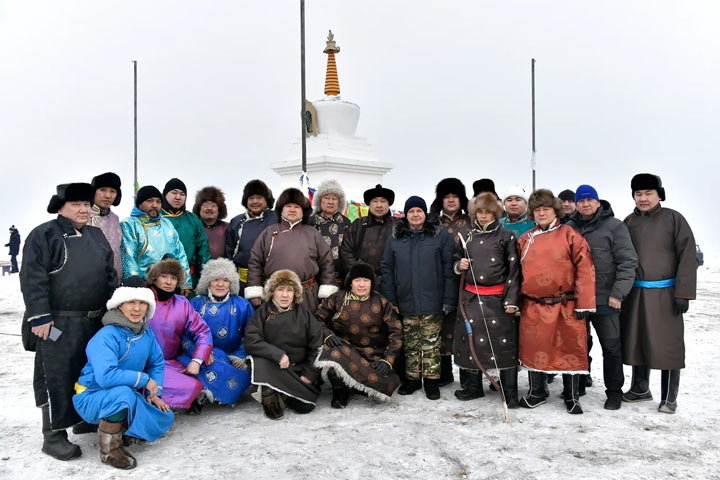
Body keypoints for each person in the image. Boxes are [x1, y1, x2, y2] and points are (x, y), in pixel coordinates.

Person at [20, 183, 117, 460]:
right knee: (55, 374)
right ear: (60, 207)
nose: (83, 209)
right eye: (76, 204)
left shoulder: (97, 235)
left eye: (86, 204)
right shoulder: (44, 234)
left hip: (93, 320)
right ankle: (52, 436)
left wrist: (112, 313)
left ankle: (83, 417)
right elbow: (32, 278)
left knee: (86, 372)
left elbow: (109, 276)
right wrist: (40, 317)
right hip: (56, 323)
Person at [72, 276, 174, 470]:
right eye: (131, 302)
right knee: (123, 395)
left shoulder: (146, 333)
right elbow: (105, 376)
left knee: (165, 416)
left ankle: (123, 429)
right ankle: (109, 449)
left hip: (124, 392)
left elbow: (157, 363)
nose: (137, 309)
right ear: (120, 305)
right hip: (90, 396)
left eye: (142, 303)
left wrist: (155, 394)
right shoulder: (106, 336)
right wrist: (144, 380)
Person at [620, 173, 696, 414]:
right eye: (638, 194)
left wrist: (683, 293)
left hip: (666, 293)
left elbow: (687, 257)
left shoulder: (674, 219)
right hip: (635, 294)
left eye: (648, 193)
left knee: (667, 345)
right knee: (637, 340)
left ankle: (669, 397)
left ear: (659, 195)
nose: (643, 198)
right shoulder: (629, 221)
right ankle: (640, 388)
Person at [516, 189, 596, 414]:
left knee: (570, 349)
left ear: (555, 211)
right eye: (537, 210)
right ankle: (537, 392)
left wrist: (584, 303)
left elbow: (585, 268)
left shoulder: (570, 235)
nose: (541, 213)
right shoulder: (525, 239)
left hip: (566, 304)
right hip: (533, 305)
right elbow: (516, 274)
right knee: (535, 349)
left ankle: (571, 396)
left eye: (546, 209)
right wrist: (514, 302)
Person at [565, 185, 638, 410]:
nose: (586, 204)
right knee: (577, 346)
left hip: (606, 299)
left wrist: (618, 293)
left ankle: (614, 392)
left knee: (611, 347)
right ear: (576, 204)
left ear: (598, 202)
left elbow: (628, 262)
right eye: (581, 201)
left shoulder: (614, 227)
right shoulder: (568, 227)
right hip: (576, 299)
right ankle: (577, 387)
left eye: (590, 200)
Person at [380, 196, 456, 400]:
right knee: (411, 344)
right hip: (405, 300)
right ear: (405, 214)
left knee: (431, 344)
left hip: (433, 299)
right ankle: (413, 380)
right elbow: (386, 268)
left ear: (425, 214)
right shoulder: (396, 238)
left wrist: (448, 299)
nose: (415, 215)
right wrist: (391, 299)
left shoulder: (439, 236)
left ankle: (432, 382)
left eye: (419, 211)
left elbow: (449, 268)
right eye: (411, 211)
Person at [453, 192, 521, 407]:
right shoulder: (467, 236)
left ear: (495, 213)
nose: (483, 216)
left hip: (499, 300)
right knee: (471, 342)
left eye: (488, 212)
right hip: (471, 299)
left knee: (504, 345)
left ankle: (509, 392)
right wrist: (459, 265)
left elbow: (514, 270)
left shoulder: (506, 236)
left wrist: (511, 300)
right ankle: (473, 388)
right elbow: (456, 260)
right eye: (480, 212)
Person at [314, 263, 403, 408]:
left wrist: (388, 360)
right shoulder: (337, 298)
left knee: (386, 382)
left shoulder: (382, 302)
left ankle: (355, 385)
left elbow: (396, 332)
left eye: (366, 280)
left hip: (372, 354)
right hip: (344, 350)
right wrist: (327, 335)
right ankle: (341, 391)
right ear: (350, 282)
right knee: (331, 352)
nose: (361, 285)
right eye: (357, 280)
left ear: (372, 283)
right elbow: (317, 319)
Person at [244, 269, 323, 419]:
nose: (285, 295)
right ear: (272, 292)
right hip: (272, 366)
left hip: (297, 371)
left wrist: (309, 374)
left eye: (290, 290)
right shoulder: (262, 313)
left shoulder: (304, 314)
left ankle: (283, 393)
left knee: (304, 407)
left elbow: (317, 346)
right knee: (258, 360)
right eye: (280, 290)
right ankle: (269, 394)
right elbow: (251, 340)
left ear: (296, 294)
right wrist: (278, 355)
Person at [245, 187, 337, 310]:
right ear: (281, 210)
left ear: (303, 212)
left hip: (307, 295)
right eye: (288, 206)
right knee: (276, 327)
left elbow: (327, 263)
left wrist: (326, 291)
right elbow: (255, 262)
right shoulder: (269, 233)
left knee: (307, 327)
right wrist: (255, 290)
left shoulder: (312, 233)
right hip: (275, 294)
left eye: (297, 207)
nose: (292, 210)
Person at [146, 258, 213, 413]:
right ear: (155, 277)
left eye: (174, 278)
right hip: (140, 364)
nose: (169, 282)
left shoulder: (182, 303)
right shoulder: (143, 300)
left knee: (196, 383)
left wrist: (197, 360)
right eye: (164, 276)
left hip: (168, 362)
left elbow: (202, 331)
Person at [188, 258, 253, 405]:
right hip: (203, 356)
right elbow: (186, 335)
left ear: (231, 283)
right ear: (207, 282)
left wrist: (239, 355)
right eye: (215, 279)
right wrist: (200, 354)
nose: (220, 284)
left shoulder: (242, 305)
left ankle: (206, 392)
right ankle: (199, 395)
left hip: (232, 357)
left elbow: (251, 334)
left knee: (243, 374)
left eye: (225, 280)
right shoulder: (196, 303)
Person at [429, 178, 470, 387]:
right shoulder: (432, 222)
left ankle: (467, 375)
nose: (451, 200)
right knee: (441, 327)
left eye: (455, 196)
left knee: (463, 328)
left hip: (465, 283)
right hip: (439, 283)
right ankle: (444, 374)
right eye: (447, 197)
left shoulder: (471, 221)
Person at [120, 185, 192, 292]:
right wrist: (137, 286)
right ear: (139, 204)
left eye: (158, 202)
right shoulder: (129, 225)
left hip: (169, 287)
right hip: (144, 287)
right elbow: (128, 258)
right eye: (150, 201)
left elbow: (180, 253)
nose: (155, 205)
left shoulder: (166, 223)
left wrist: (185, 282)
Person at [226, 179, 277, 294]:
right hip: (243, 281)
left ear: (266, 199)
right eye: (251, 198)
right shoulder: (236, 222)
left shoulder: (277, 219)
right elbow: (229, 253)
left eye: (259, 198)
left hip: (271, 280)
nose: (255, 201)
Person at [340, 184, 397, 284]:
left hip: (392, 281)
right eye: (375, 201)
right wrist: (361, 274)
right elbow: (346, 252)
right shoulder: (358, 225)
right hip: (362, 282)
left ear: (389, 204)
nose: (379, 205)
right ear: (369, 204)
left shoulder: (397, 225)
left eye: (383, 201)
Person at [161, 178, 212, 287]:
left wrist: (203, 283)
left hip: (188, 279)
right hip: (160, 279)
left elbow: (203, 252)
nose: (178, 197)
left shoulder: (193, 220)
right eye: (174, 193)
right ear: (165, 195)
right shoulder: (155, 218)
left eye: (182, 194)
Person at [309, 179, 352, 283]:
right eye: (327, 198)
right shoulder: (309, 223)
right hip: (315, 278)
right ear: (320, 200)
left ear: (339, 202)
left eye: (334, 198)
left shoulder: (346, 223)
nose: (330, 202)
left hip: (341, 278)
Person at [90, 172, 123, 282]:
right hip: (89, 282)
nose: (108, 195)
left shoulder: (115, 219)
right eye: (103, 190)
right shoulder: (82, 216)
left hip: (114, 283)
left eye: (112, 191)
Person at [193, 186, 229, 260]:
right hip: (198, 270)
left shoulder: (227, 228)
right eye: (205, 205)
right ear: (199, 209)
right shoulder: (193, 227)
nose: (209, 208)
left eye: (213, 205)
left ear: (219, 210)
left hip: (222, 269)